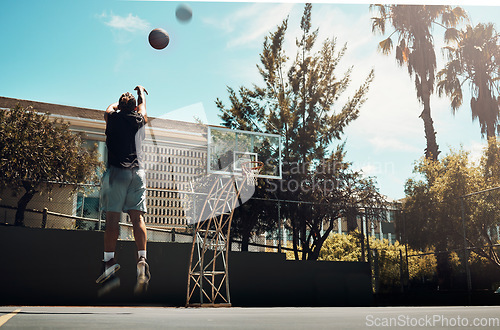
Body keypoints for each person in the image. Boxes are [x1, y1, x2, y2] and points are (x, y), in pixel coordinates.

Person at [96, 85, 151, 295]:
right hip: (136, 174)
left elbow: (107, 109)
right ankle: (142, 259)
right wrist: (140, 94)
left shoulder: (113, 118)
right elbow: (143, 108)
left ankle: (109, 262)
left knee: (112, 221)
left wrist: (117, 105)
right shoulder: (139, 120)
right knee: (138, 219)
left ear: (120, 106)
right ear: (134, 108)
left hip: (116, 173)